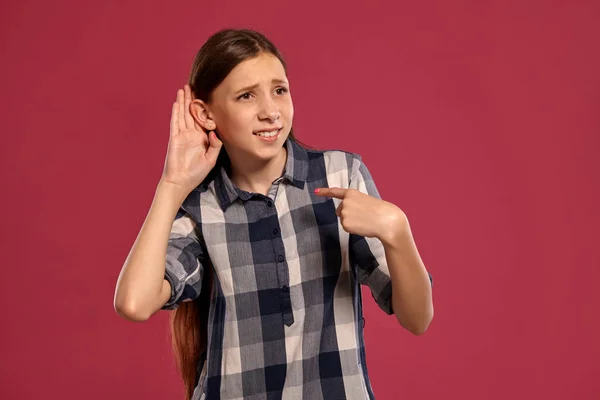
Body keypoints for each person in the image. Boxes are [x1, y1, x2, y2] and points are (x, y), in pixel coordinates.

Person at [114, 28, 434, 400]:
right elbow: (134, 303)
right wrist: (172, 185)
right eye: (247, 96)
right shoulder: (203, 206)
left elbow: (417, 319)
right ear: (206, 113)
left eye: (279, 90)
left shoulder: (340, 176)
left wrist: (398, 231)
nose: (270, 112)